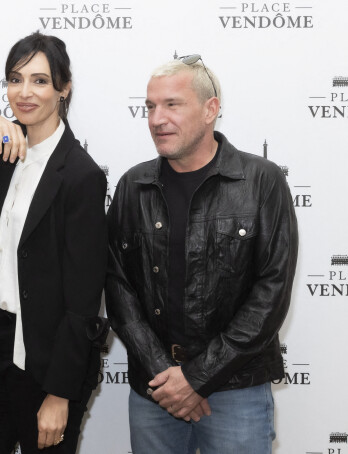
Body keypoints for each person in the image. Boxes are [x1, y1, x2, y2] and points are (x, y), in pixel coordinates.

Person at [104, 55, 298, 454]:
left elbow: (271, 292)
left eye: (172, 104)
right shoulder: (132, 185)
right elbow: (118, 287)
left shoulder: (262, 180)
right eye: (150, 107)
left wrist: (196, 378)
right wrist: (165, 375)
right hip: (155, 391)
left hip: (236, 388)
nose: (157, 119)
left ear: (211, 109)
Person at [0, 32, 108, 454]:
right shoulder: (2, 146)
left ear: (63, 88)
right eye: (15, 79)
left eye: (39, 80)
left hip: (48, 359)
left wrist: (58, 394)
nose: (24, 92)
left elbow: (84, 299)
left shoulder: (80, 174)